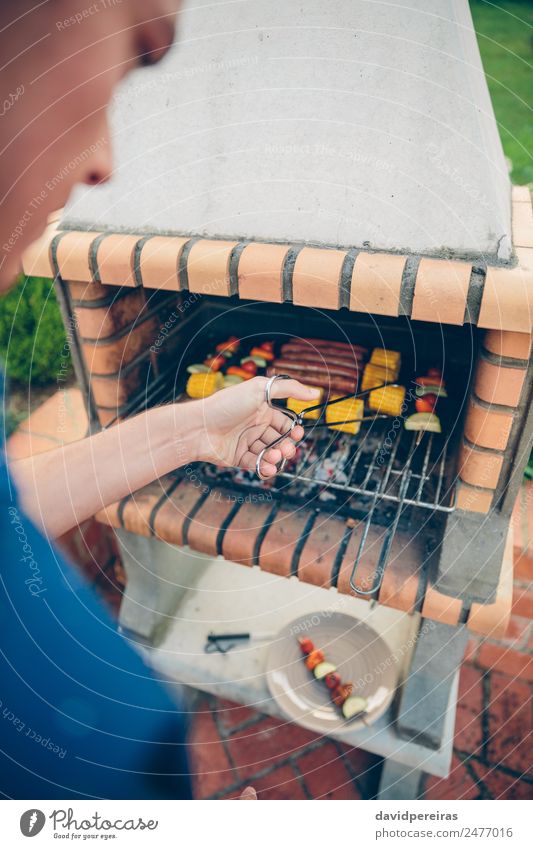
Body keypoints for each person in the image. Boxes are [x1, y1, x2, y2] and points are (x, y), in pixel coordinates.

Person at [0, 0, 317, 799]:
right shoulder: (90, 746)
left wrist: (190, 432)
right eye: (138, 49)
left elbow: (11, 510)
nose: (105, 160)